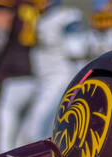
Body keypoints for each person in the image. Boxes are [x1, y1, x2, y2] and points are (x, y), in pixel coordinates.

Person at [0, 0, 43, 157]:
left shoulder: (5, 3)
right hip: (30, 77)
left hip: (8, 78)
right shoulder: (30, 5)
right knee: (20, 141)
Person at [24, 0, 92, 142]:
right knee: (35, 130)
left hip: (60, 79)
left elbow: (77, 49)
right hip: (44, 80)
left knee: (37, 129)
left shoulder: (66, 16)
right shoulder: (37, 17)